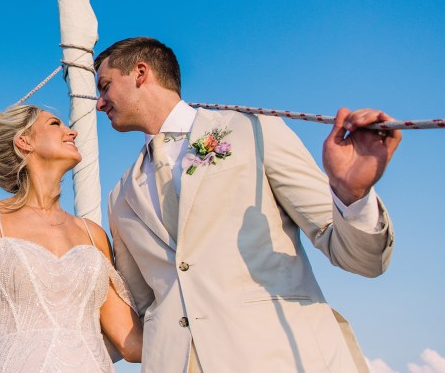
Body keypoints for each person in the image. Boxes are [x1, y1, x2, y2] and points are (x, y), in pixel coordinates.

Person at [94, 37, 399, 373]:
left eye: (105, 86)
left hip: (280, 356)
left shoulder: (253, 130)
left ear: (140, 73)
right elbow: (144, 304)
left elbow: (359, 258)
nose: (99, 103)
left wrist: (352, 195)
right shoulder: (120, 197)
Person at [0, 104, 143, 371]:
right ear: (24, 141)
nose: (72, 132)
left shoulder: (93, 234)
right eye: (56, 124)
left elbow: (131, 344)